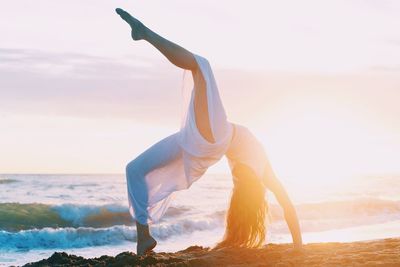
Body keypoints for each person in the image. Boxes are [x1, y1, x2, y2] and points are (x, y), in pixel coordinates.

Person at [115, 8, 302, 256]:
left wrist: (300, 247)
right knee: (134, 169)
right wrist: (299, 246)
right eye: (239, 182)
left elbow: (287, 203)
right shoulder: (263, 173)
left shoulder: (259, 170)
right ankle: (143, 237)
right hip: (197, 143)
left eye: (239, 181)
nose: (237, 179)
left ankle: (145, 33)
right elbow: (287, 203)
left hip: (216, 137)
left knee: (201, 66)